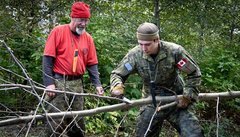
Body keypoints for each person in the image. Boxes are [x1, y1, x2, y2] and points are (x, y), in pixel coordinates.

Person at [110, 22, 204, 137]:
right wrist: (117, 86)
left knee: (194, 133)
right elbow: (118, 74)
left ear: (157, 40)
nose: (143, 48)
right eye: (140, 44)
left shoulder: (175, 52)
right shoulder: (135, 56)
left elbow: (194, 73)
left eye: (147, 44)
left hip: (176, 99)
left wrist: (188, 96)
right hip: (150, 101)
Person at [42, 1, 104, 137]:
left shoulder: (88, 38)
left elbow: (92, 64)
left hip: (77, 85)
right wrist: (49, 84)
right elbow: (47, 59)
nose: (84, 24)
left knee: (77, 123)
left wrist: (97, 84)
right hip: (59, 82)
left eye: (86, 20)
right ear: (72, 18)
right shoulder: (58, 32)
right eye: (81, 20)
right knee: (56, 122)